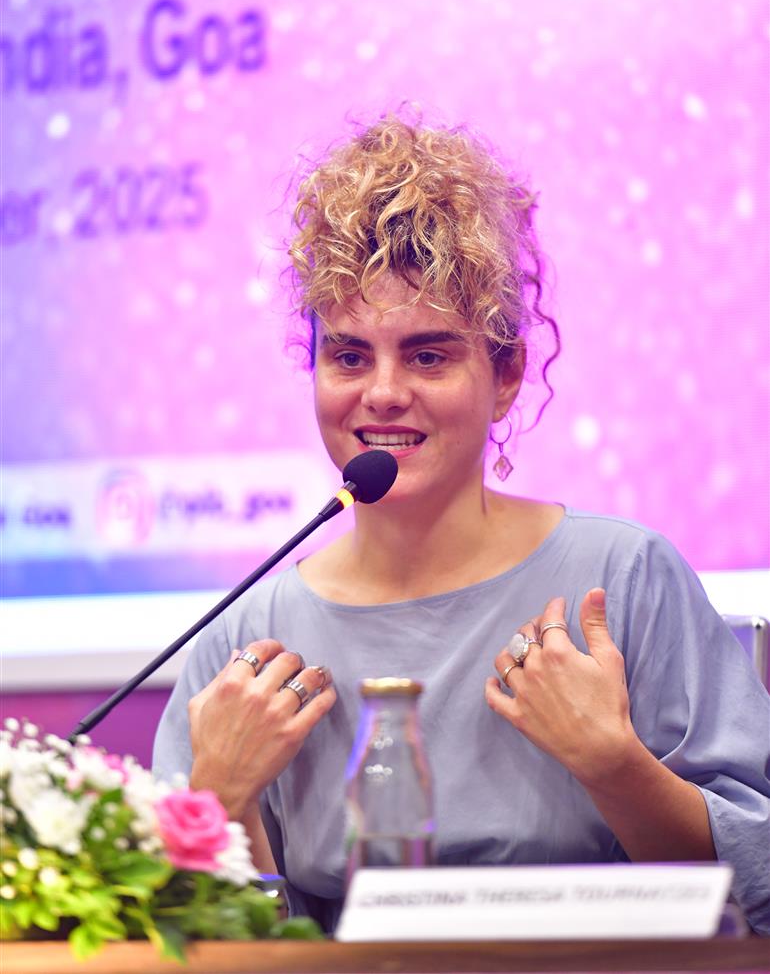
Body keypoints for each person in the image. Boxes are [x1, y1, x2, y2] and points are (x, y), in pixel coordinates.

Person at [153, 111, 770, 936]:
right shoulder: (246, 639)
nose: (380, 392)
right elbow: (188, 937)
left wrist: (612, 765)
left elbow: (760, 887)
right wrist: (222, 798)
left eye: (428, 354)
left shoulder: (622, 579)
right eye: (348, 355)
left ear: (508, 373)